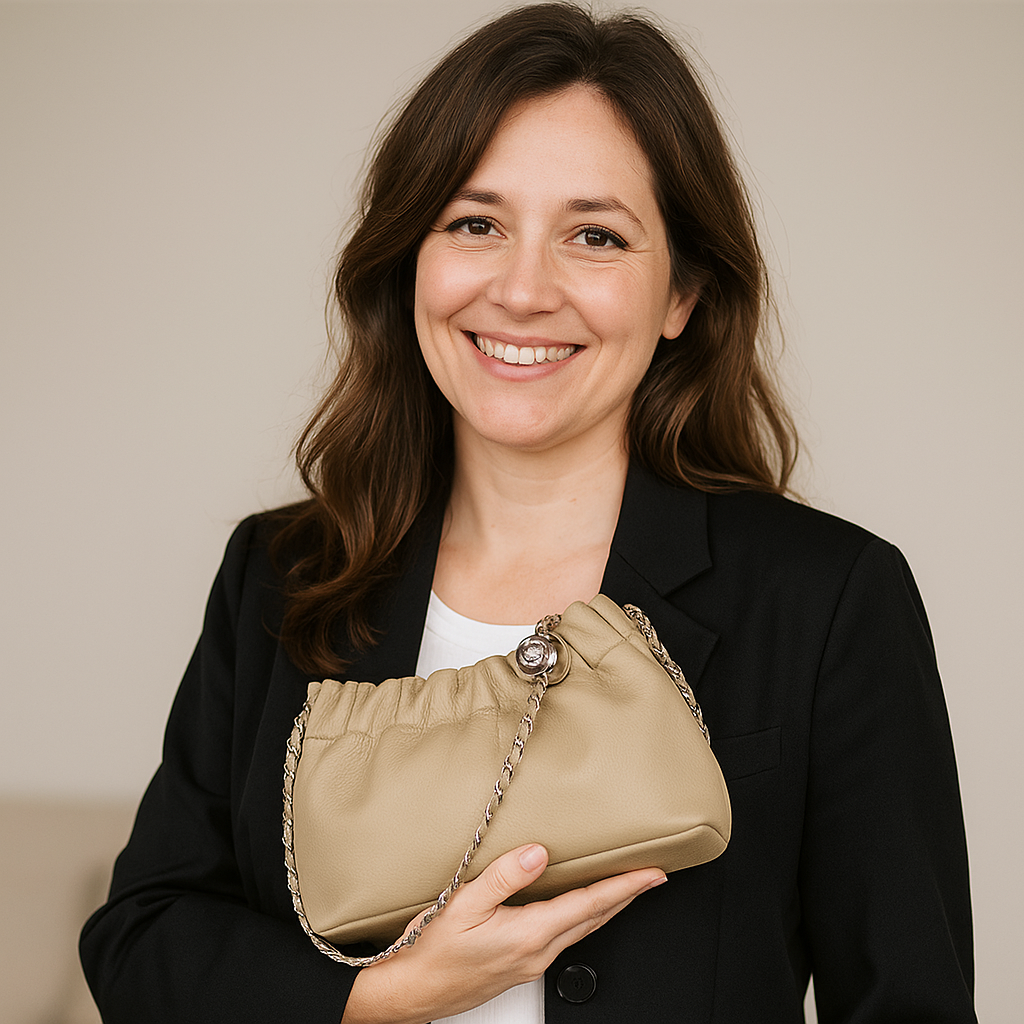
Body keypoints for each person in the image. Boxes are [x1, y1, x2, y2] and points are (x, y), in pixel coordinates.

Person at [79, 4, 976, 1022]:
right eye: (476, 224)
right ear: (410, 259)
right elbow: (142, 941)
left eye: (595, 236)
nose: (522, 290)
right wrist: (382, 997)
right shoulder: (283, 571)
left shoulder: (826, 599)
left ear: (680, 294)